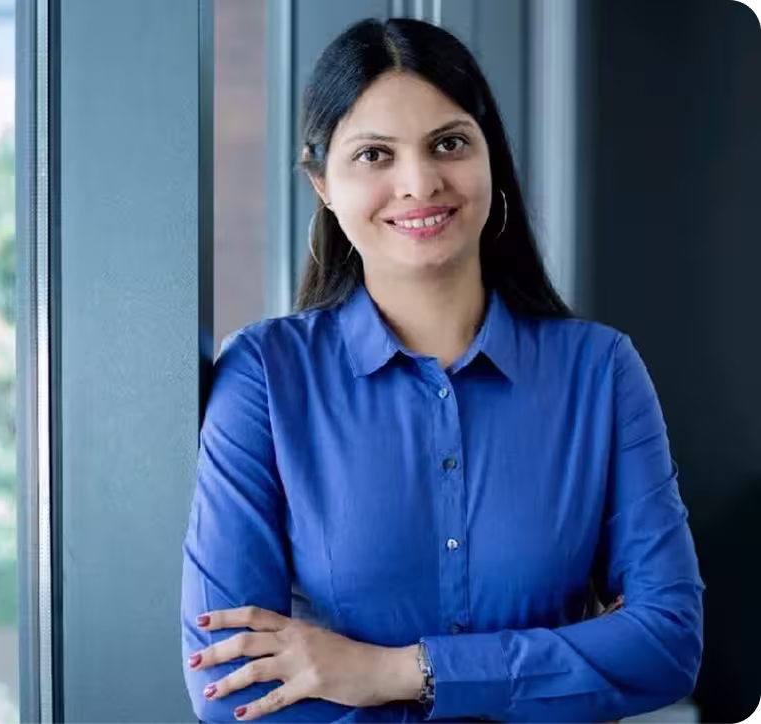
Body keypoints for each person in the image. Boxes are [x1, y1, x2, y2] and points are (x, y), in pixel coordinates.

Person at [181, 17, 704, 724]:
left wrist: (394, 671)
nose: (420, 182)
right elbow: (236, 689)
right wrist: (564, 663)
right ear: (322, 183)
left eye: (449, 143)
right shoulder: (266, 379)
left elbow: (667, 644)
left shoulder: (601, 372)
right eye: (373, 155)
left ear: (491, 158)